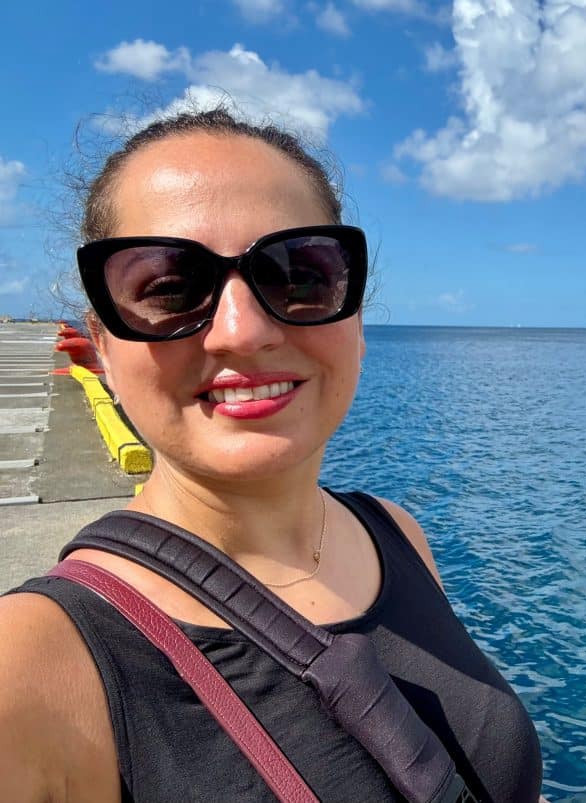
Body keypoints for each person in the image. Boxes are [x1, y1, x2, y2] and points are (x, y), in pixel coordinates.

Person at [0, 109, 544, 802]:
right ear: (101, 345)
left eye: (299, 276)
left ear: (355, 318)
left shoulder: (397, 533)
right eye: (169, 288)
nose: (242, 331)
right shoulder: (33, 664)